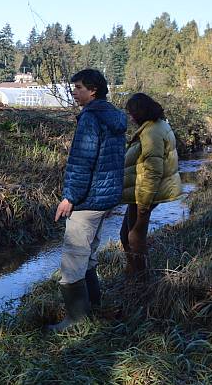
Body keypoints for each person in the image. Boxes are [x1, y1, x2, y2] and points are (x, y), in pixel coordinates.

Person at [49, 69, 127, 332]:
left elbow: (82, 162)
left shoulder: (91, 118)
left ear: (93, 90)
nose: (74, 92)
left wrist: (69, 197)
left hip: (88, 200)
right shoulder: (113, 116)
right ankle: (94, 306)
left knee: (73, 258)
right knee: (89, 254)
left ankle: (76, 321)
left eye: (79, 87)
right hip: (105, 198)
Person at [120, 93, 181, 278]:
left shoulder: (151, 132)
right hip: (141, 192)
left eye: (132, 113)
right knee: (126, 235)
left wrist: (144, 205)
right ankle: (134, 275)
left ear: (140, 112)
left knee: (133, 237)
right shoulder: (158, 125)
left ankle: (142, 280)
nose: (130, 118)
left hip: (144, 193)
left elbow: (153, 170)